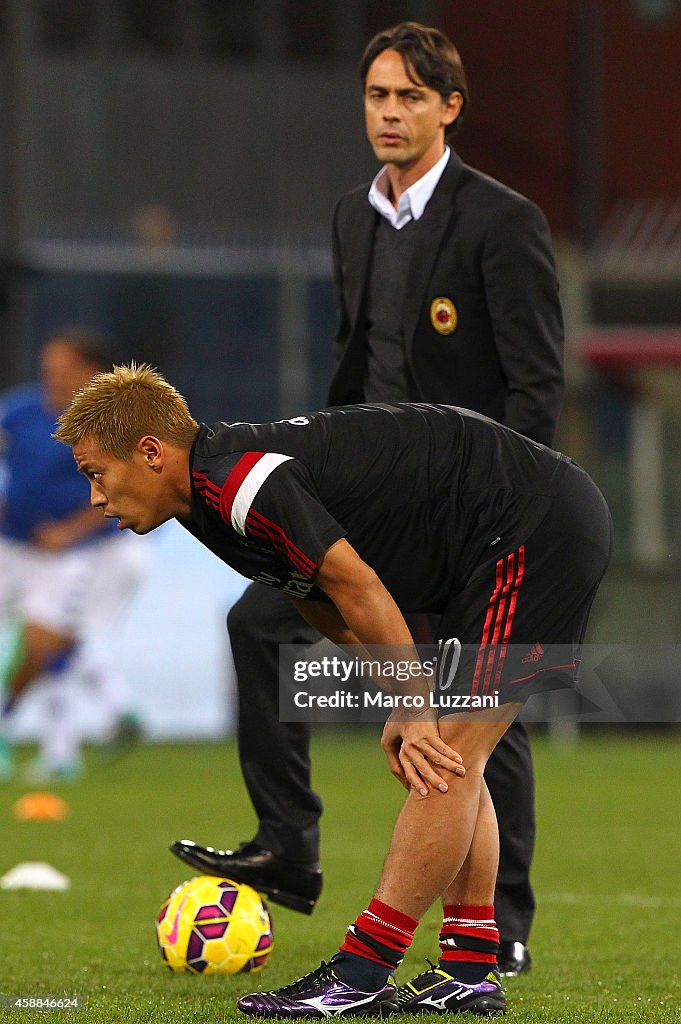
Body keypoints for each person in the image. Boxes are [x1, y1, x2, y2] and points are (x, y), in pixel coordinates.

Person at [170, 22, 564, 973]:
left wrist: (506, 523)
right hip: (366, 501)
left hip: (468, 511)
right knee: (257, 625)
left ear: (449, 107)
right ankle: (289, 846)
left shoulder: (501, 221)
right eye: (378, 97)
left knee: (472, 701)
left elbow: (536, 384)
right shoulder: (354, 215)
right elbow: (358, 372)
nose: (390, 113)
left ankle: (500, 924)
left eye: (410, 98)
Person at [55, 365, 611, 1017]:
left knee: (444, 763)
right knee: (447, 759)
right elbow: (316, 597)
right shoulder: (204, 502)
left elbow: (358, 586)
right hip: (494, 536)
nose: (95, 497)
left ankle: (359, 974)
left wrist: (412, 703)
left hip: (529, 524)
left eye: (97, 472)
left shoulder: (239, 484)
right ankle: (466, 970)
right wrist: (401, 692)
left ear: (151, 453)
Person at [0, 329, 146, 781]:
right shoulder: (20, 412)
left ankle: (52, 746)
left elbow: (124, 490)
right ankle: (104, 716)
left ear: (89, 373)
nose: (51, 376)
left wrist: (68, 532)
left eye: (61, 368)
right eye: (47, 367)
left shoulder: (109, 427)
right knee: (56, 644)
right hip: (10, 544)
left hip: (68, 556)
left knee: (49, 642)